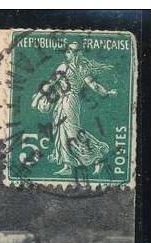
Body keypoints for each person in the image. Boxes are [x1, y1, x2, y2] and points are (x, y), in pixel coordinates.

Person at [31, 42, 118, 175]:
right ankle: (68, 165)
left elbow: (50, 84)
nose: (66, 53)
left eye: (69, 51)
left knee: (72, 133)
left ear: (74, 53)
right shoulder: (82, 68)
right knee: (62, 131)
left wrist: (37, 99)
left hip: (67, 101)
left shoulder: (64, 67)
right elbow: (94, 85)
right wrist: (107, 92)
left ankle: (97, 157)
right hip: (71, 101)